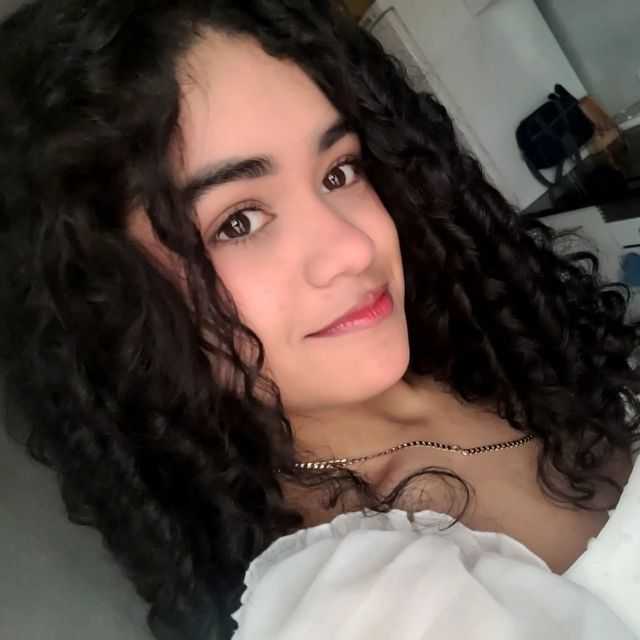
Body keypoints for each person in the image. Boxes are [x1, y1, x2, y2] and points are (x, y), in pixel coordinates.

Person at [1, 1, 640, 639]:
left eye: (339, 172)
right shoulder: (362, 603)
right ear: (109, 309)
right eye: (238, 222)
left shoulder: (483, 345)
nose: (354, 249)